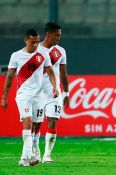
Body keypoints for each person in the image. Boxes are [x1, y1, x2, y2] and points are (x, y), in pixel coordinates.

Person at [0, 29, 58, 166]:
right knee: (28, 123)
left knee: (36, 126)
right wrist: (4, 97)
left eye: (37, 42)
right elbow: (9, 77)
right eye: (32, 42)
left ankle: (23, 158)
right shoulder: (16, 56)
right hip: (24, 95)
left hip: (40, 96)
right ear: (26, 40)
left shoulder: (43, 54)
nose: (35, 45)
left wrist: (55, 87)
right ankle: (31, 155)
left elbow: (50, 72)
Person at [32, 22, 69, 163]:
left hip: (54, 93)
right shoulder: (35, 50)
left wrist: (66, 93)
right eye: (56, 35)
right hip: (37, 94)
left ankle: (47, 155)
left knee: (53, 122)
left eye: (60, 35)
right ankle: (36, 151)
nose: (59, 38)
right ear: (48, 34)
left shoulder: (60, 51)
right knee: (36, 124)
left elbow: (63, 74)